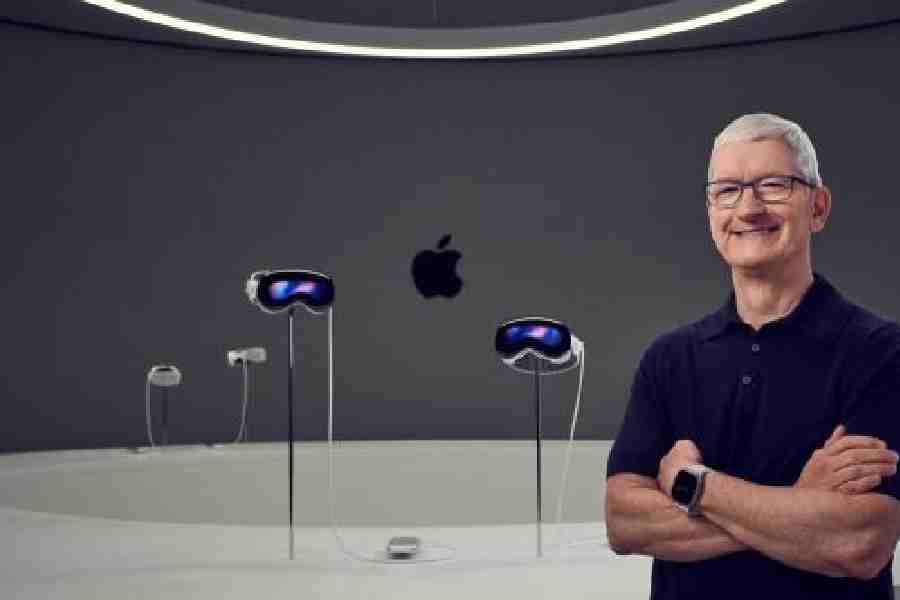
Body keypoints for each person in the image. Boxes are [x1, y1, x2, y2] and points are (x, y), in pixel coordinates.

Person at [605, 113, 900, 599]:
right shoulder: (669, 359)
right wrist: (799, 507)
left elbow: (859, 540)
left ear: (819, 206)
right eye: (727, 190)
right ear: (710, 212)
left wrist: (693, 486)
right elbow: (624, 523)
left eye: (773, 185)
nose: (748, 208)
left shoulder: (881, 353)